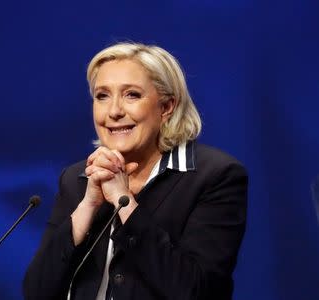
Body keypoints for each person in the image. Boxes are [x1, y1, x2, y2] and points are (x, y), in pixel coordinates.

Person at [23, 42, 248, 300]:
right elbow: (36, 292)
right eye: (102, 96)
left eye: (132, 95)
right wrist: (87, 206)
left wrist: (125, 202)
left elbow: (196, 291)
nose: (115, 111)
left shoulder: (215, 176)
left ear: (166, 107)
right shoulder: (77, 179)